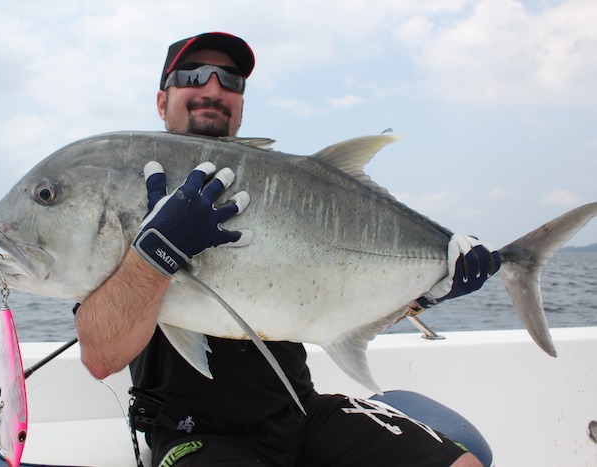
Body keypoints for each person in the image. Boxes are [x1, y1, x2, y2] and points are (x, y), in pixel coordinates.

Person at [75, 32, 498, 466]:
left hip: (298, 414)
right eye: (192, 75)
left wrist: (425, 293)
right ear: (162, 102)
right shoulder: (127, 191)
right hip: (194, 434)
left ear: (241, 102)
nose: (213, 89)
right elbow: (100, 356)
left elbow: (342, 292)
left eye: (231, 80)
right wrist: (153, 256)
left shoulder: (286, 189)